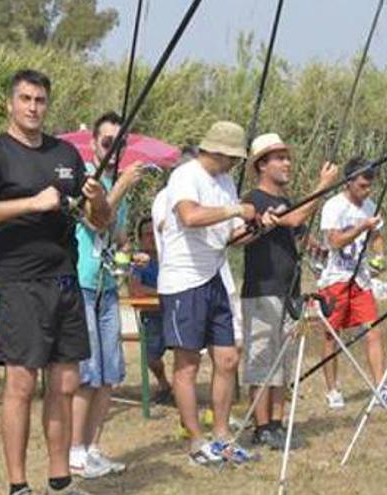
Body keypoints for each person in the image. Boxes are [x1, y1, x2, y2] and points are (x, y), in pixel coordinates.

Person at [0, 69, 110, 495]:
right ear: (10, 103)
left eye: (40, 100)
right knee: (21, 385)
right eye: (25, 99)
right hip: (19, 283)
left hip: (64, 281)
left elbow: (100, 222)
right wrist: (31, 203)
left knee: (63, 384)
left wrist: (98, 201)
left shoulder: (65, 153)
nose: (33, 107)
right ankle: (18, 486)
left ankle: (60, 481)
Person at [157, 121, 271, 466]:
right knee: (187, 365)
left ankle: (222, 436)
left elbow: (232, 237)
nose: (236, 165)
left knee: (227, 358)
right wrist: (236, 210)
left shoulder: (224, 183)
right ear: (220, 152)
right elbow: (189, 216)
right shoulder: (185, 176)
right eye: (234, 158)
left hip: (215, 278)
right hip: (183, 282)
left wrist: (258, 228)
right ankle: (195, 441)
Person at [240, 133, 338, 449]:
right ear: (261, 166)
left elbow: (297, 230)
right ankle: (261, 427)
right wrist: (323, 185)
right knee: (262, 362)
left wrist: (314, 248)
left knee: (283, 362)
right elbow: (295, 217)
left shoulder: (284, 200)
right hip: (262, 290)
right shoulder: (253, 199)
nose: (287, 163)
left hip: (289, 292)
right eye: (279, 158)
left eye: (287, 157)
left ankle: (277, 424)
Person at [68, 111, 142, 479]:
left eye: (120, 143)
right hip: (80, 283)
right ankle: (75, 451)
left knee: (110, 370)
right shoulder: (87, 179)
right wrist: (124, 184)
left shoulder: (116, 182)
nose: (113, 149)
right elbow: (96, 218)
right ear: (94, 142)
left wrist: (131, 252)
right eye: (107, 141)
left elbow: (117, 232)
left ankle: (93, 447)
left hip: (108, 286)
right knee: (87, 372)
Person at [317, 157, 387, 410]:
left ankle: (380, 387)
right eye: (362, 186)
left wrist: (379, 256)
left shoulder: (370, 206)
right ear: (349, 182)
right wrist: (360, 227)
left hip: (361, 281)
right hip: (336, 279)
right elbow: (334, 242)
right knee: (331, 336)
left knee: (373, 331)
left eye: (370, 186)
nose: (367, 191)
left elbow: (376, 235)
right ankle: (332, 389)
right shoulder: (333, 206)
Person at [128, 216, 173, 404]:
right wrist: (165, 291)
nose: (151, 238)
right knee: (151, 357)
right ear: (140, 238)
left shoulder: (171, 257)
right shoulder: (138, 263)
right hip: (152, 316)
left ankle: (182, 390)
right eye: (146, 235)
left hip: (175, 313)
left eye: (154, 234)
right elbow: (135, 289)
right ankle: (164, 385)